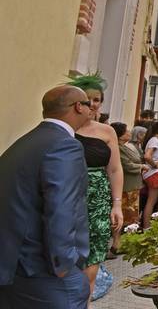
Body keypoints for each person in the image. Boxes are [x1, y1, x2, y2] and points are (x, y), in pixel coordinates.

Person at [0, 85, 91, 309]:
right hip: (44, 268)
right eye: (90, 104)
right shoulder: (65, 145)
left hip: (15, 265)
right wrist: (65, 264)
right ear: (78, 107)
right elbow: (62, 208)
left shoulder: (23, 143)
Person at [67, 73, 123, 299]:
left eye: (97, 99)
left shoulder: (106, 131)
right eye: (88, 99)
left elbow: (115, 169)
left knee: (96, 248)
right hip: (69, 195)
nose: (93, 104)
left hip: (98, 197)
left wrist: (116, 204)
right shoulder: (66, 129)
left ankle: (86, 300)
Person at [110, 122, 146, 256]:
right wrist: (141, 167)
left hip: (132, 186)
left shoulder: (125, 147)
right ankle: (117, 243)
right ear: (120, 134)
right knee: (125, 217)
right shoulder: (118, 148)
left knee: (131, 216)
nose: (130, 133)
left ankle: (124, 243)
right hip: (126, 187)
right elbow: (127, 165)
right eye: (127, 131)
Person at [141, 121, 158, 229]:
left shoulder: (155, 140)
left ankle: (149, 225)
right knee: (152, 201)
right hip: (155, 173)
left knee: (156, 199)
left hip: (155, 172)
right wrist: (155, 165)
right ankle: (147, 227)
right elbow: (147, 156)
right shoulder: (154, 140)